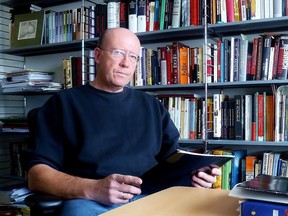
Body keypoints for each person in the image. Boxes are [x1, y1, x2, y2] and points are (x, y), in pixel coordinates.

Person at [25, 27, 221, 216]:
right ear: (98, 55)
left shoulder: (152, 106)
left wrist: (196, 173)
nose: (126, 63)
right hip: (91, 202)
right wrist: (93, 188)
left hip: (151, 198)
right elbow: (37, 176)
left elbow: (173, 160)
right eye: (118, 53)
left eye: (133, 57)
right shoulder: (63, 104)